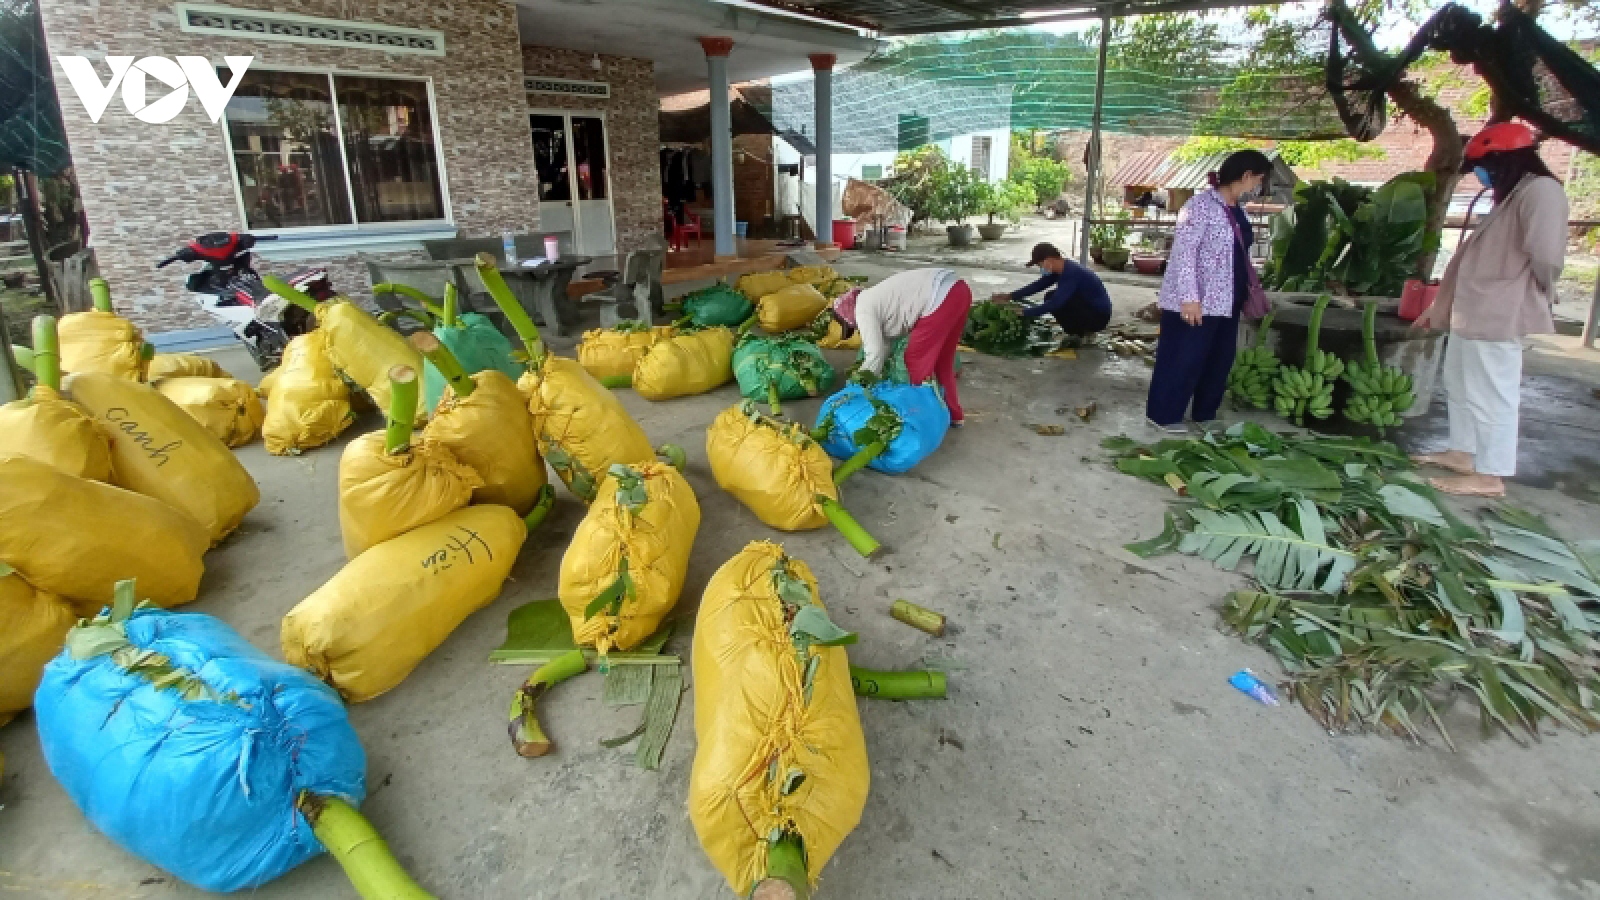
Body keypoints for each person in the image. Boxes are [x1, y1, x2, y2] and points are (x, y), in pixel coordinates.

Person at [1410, 122, 1568, 497]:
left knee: (1492, 393)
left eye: (1485, 166)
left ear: (1502, 160)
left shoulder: (1542, 191)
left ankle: (1490, 474)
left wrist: (1539, 290)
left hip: (1498, 309)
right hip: (1474, 308)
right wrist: (1440, 307)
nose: (1482, 176)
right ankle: (1462, 453)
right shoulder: (1513, 195)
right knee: (1461, 384)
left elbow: (1546, 256)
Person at [1144, 149, 1274, 432]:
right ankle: (1163, 415)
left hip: (1228, 299)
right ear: (1246, 175)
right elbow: (1184, 253)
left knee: (1219, 360)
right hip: (1197, 300)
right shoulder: (1200, 206)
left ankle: (1205, 414)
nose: (1258, 187)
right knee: (1182, 358)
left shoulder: (1237, 209)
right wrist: (1190, 298)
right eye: (1259, 180)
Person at [830, 267, 973, 425]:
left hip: (939, 296)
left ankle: (920, 422)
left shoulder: (862, 310)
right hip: (959, 290)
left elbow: (875, 354)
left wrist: (859, 384)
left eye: (852, 326)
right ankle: (955, 415)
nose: (856, 328)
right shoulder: (875, 299)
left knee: (914, 361)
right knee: (943, 362)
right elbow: (884, 347)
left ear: (849, 315)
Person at [993, 242, 1111, 337]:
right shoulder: (1062, 268)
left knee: (1055, 301)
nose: (1040, 268)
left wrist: (1023, 312)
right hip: (1089, 307)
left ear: (1049, 260)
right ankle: (1081, 329)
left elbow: (1054, 304)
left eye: (1040, 264)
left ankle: (1081, 333)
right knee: (1050, 295)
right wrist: (1010, 296)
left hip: (1099, 317)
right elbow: (1038, 285)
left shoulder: (1072, 273)